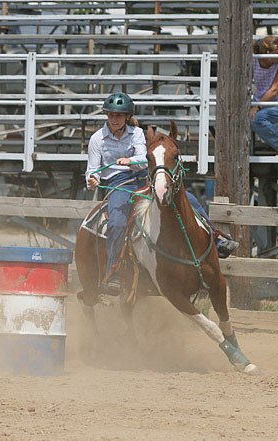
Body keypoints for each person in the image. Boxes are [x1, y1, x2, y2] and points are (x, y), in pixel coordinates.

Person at [85, 92, 239, 295]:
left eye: (118, 115)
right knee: (117, 222)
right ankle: (112, 271)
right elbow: (91, 169)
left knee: (189, 200)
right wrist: (92, 180)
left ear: (126, 117)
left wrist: (130, 161)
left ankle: (216, 238)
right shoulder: (97, 139)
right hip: (118, 183)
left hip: (143, 178)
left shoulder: (137, 134)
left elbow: (145, 157)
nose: (114, 119)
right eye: (111, 115)